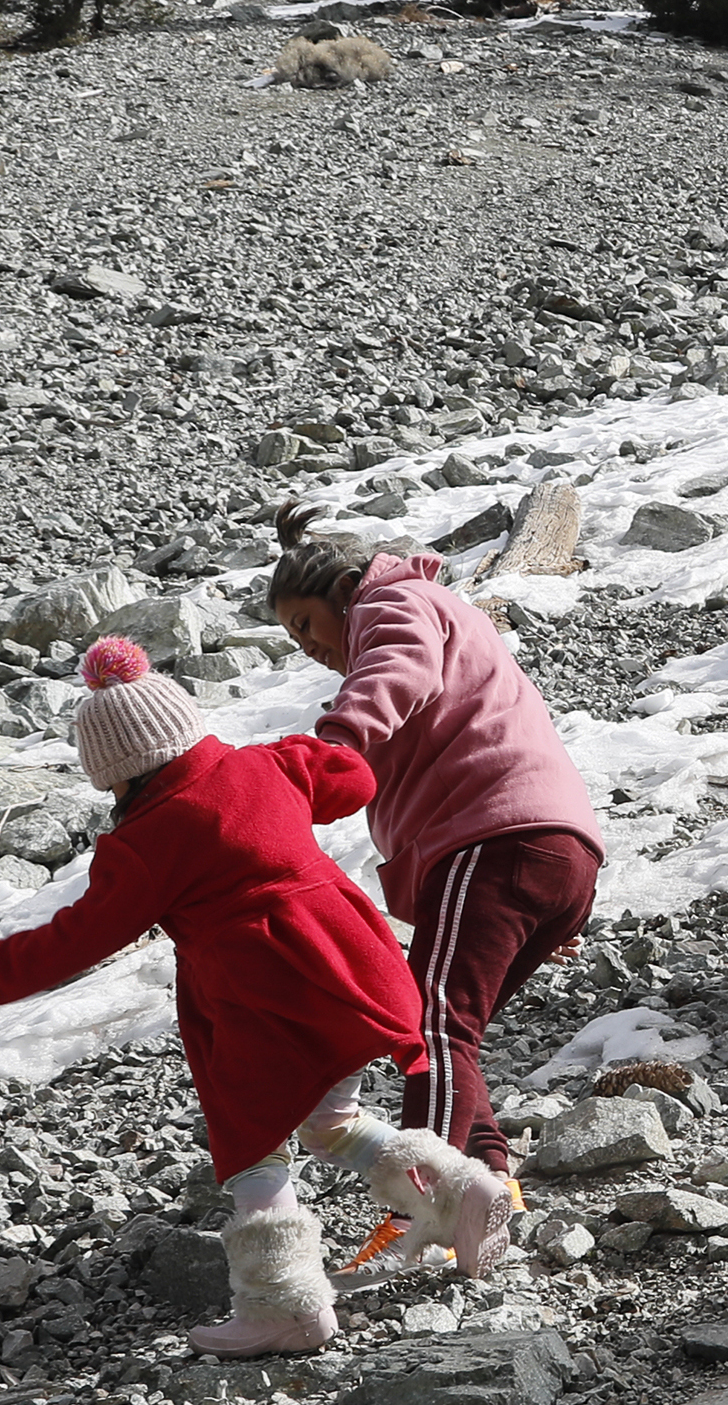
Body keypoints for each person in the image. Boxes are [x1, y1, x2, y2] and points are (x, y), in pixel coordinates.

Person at [0, 637, 513, 1359]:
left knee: (253, 1151)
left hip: (262, 1000)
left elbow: (75, 940)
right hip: (352, 969)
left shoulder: (146, 839)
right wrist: (304, 753)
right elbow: (352, 781)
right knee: (329, 1124)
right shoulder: (267, 764)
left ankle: (284, 1308)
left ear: (117, 775)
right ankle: (459, 1192)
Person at [269, 505, 602, 1271]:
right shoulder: (428, 609)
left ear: (344, 590)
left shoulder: (389, 602)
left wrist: (335, 743)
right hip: (544, 848)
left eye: (307, 623)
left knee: (429, 1027)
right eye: (292, 637)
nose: (310, 646)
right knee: (453, 1032)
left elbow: (397, 669)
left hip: (493, 840)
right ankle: (491, 1195)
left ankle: (422, 1205)